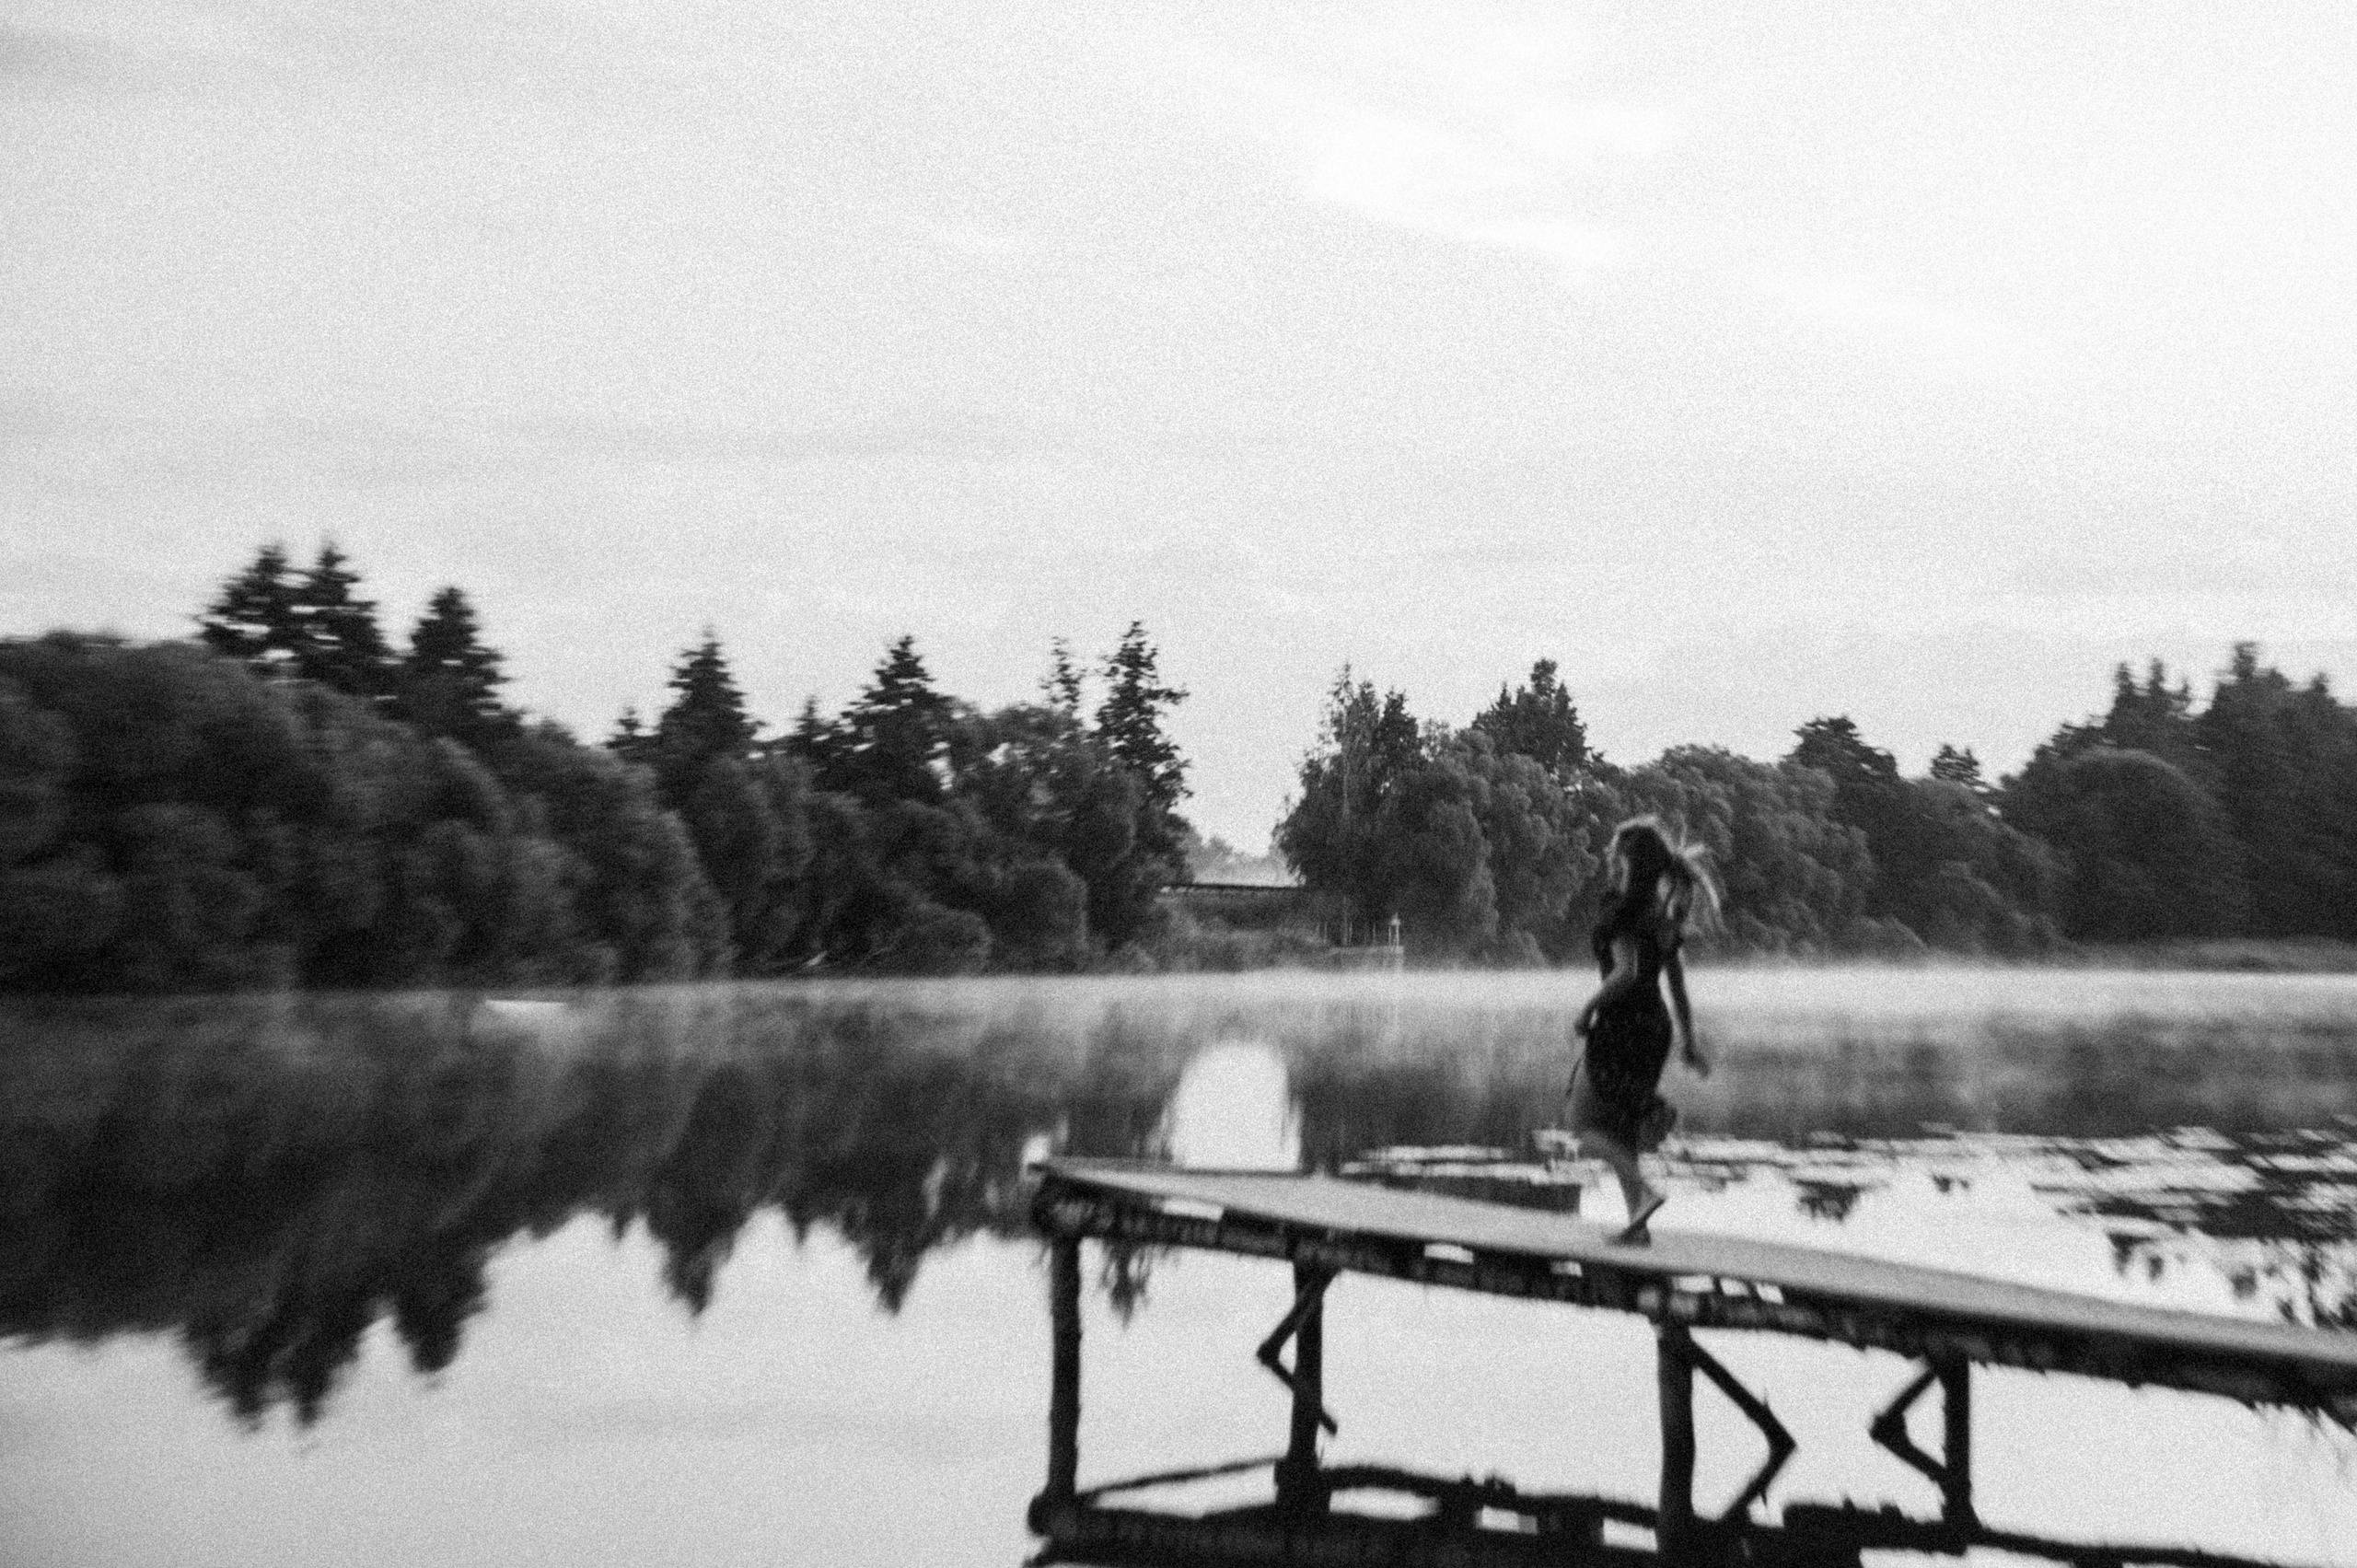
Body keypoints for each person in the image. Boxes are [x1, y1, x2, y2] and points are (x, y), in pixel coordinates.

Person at [1569, 817, 1719, 1245]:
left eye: (1614, 852)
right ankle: (1638, 1226)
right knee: (1622, 1130)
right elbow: (1677, 986)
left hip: (1622, 1023)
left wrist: (1586, 1010)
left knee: (1581, 1124)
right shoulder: (1661, 917)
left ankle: (1645, 1193)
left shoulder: (1621, 912)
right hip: (1655, 1029)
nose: (1608, 858)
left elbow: (1625, 972)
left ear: (1626, 862)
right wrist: (1688, 1041)